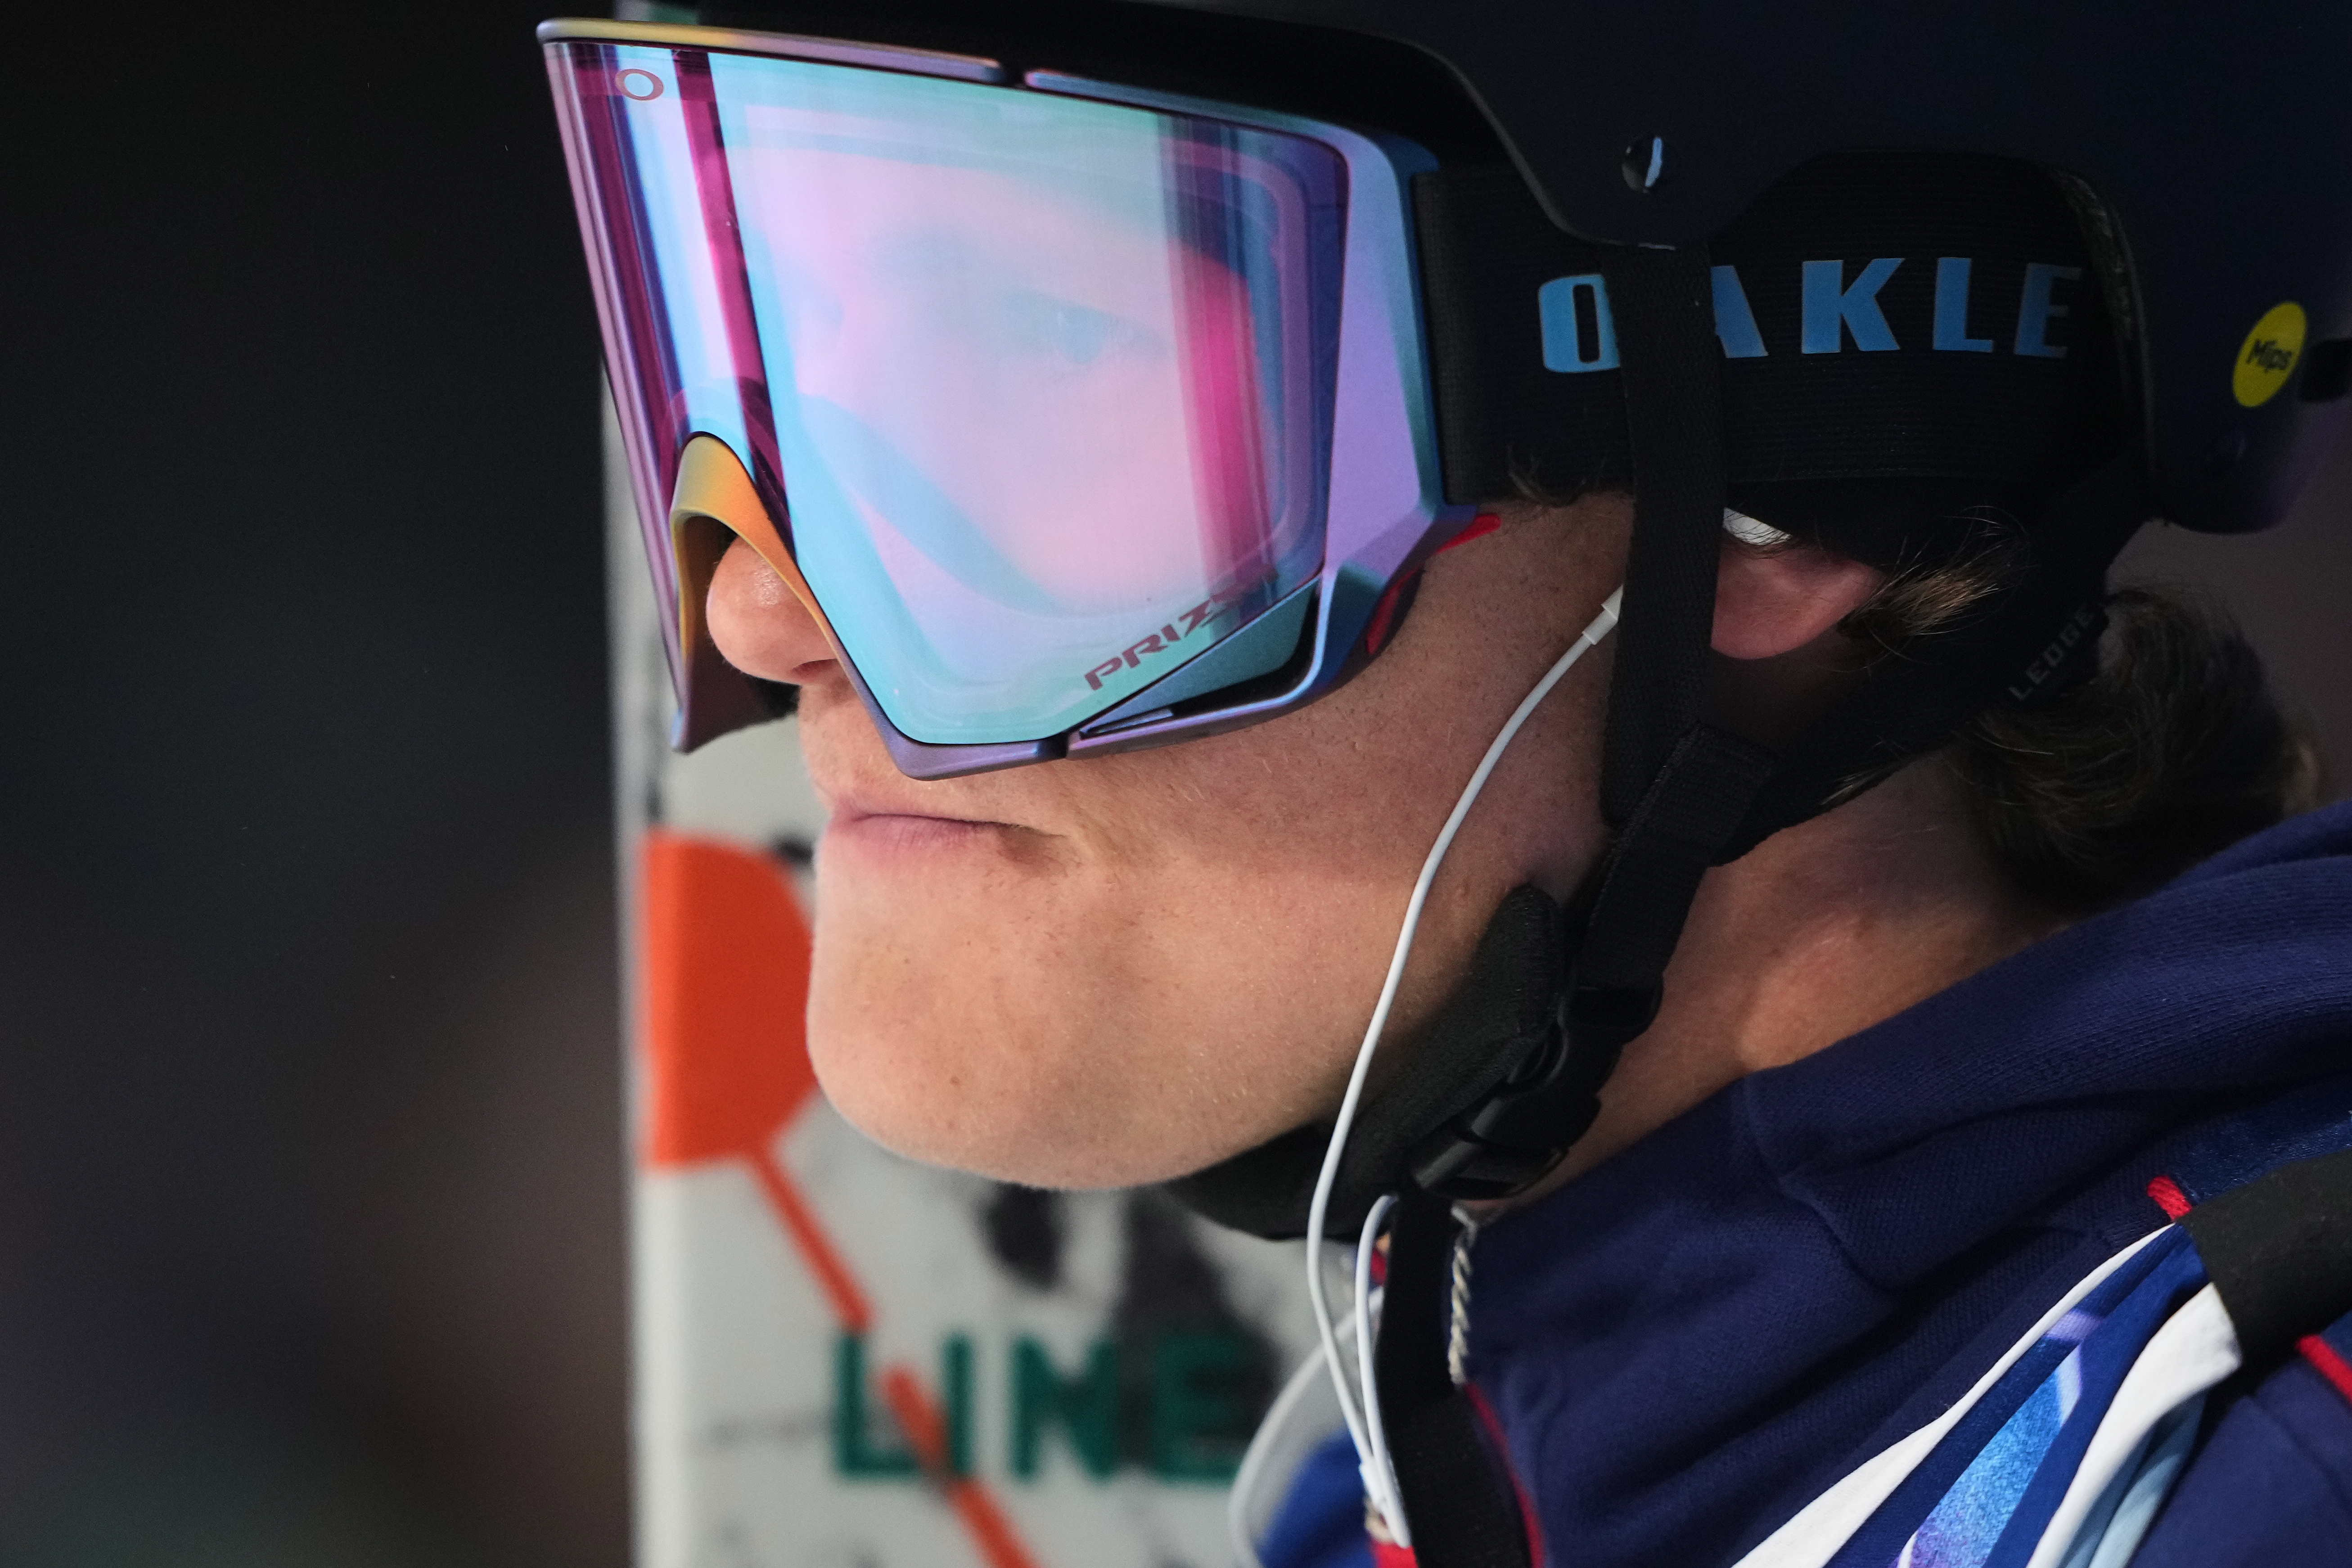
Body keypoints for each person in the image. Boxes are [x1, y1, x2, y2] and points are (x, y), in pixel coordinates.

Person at [541, 3, 2352, 1563]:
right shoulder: (1454, 1465)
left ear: (1787, 487)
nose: (763, 604)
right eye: (766, 333)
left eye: (1038, 342)